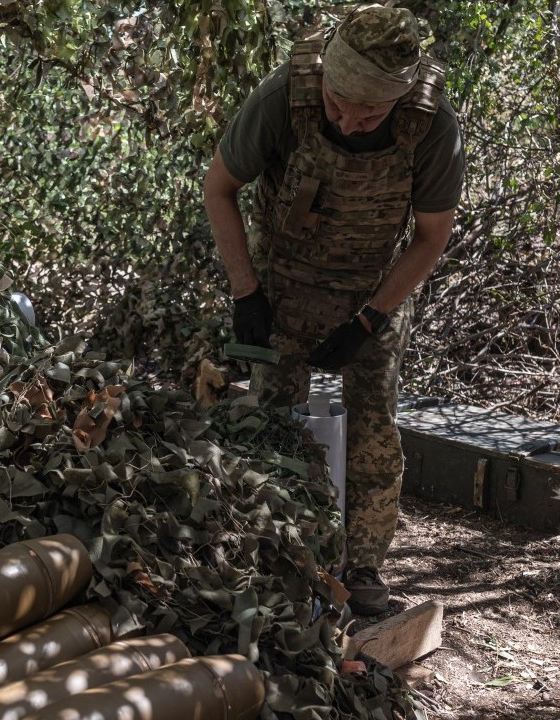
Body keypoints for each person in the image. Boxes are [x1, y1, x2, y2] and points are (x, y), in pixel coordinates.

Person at [203, 3, 464, 615]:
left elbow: (429, 239)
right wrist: (246, 293)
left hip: (374, 284)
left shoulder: (431, 129)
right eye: (337, 104)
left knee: (372, 425)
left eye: (368, 112)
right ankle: (276, 551)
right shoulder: (283, 98)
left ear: (397, 102)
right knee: (276, 418)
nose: (347, 123)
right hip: (281, 278)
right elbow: (219, 189)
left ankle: (364, 565)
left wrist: (370, 320)